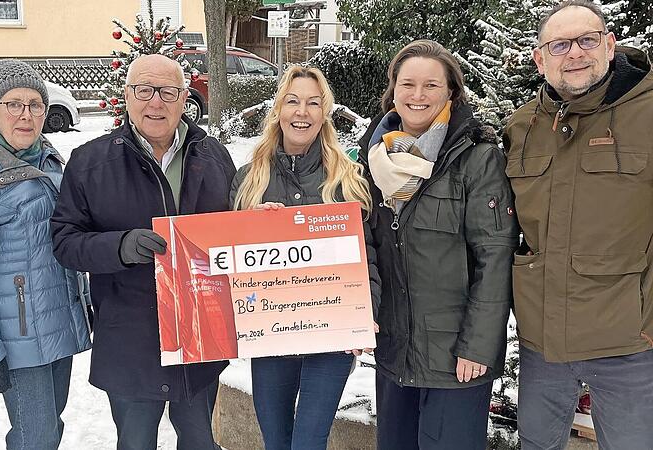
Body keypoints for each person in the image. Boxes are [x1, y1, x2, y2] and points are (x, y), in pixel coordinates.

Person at [50, 54, 236, 450]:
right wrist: (119, 246)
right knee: (135, 442)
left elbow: (234, 230)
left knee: (201, 441)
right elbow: (65, 242)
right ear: (128, 95)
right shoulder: (90, 163)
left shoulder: (214, 156)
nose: (156, 102)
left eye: (168, 92)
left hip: (199, 337)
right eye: (145, 90)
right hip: (131, 337)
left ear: (185, 98)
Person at [503, 1, 653, 448]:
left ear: (608, 45)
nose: (575, 54)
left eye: (587, 40)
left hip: (628, 341)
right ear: (540, 58)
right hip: (542, 341)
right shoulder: (523, 125)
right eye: (561, 44)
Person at [359, 40, 518, 450]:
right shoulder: (371, 158)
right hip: (396, 354)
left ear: (451, 91)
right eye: (407, 83)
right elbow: (361, 245)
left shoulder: (476, 158)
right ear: (392, 90)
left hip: (456, 359)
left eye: (431, 85)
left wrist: (478, 346)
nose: (417, 95)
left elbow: (495, 256)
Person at [0, 60, 92, 449]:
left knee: (50, 428)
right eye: (13, 104)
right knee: (35, 438)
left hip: (57, 320)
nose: (26, 115)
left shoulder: (48, 159)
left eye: (35, 104)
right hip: (18, 334)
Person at [230, 65, 381, 450]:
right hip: (271, 333)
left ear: (324, 113)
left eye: (314, 103)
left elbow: (369, 254)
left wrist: (368, 312)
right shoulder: (249, 179)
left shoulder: (347, 176)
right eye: (293, 101)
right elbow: (228, 260)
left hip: (332, 332)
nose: (302, 112)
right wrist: (250, 228)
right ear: (279, 109)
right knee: (276, 440)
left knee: (309, 441)